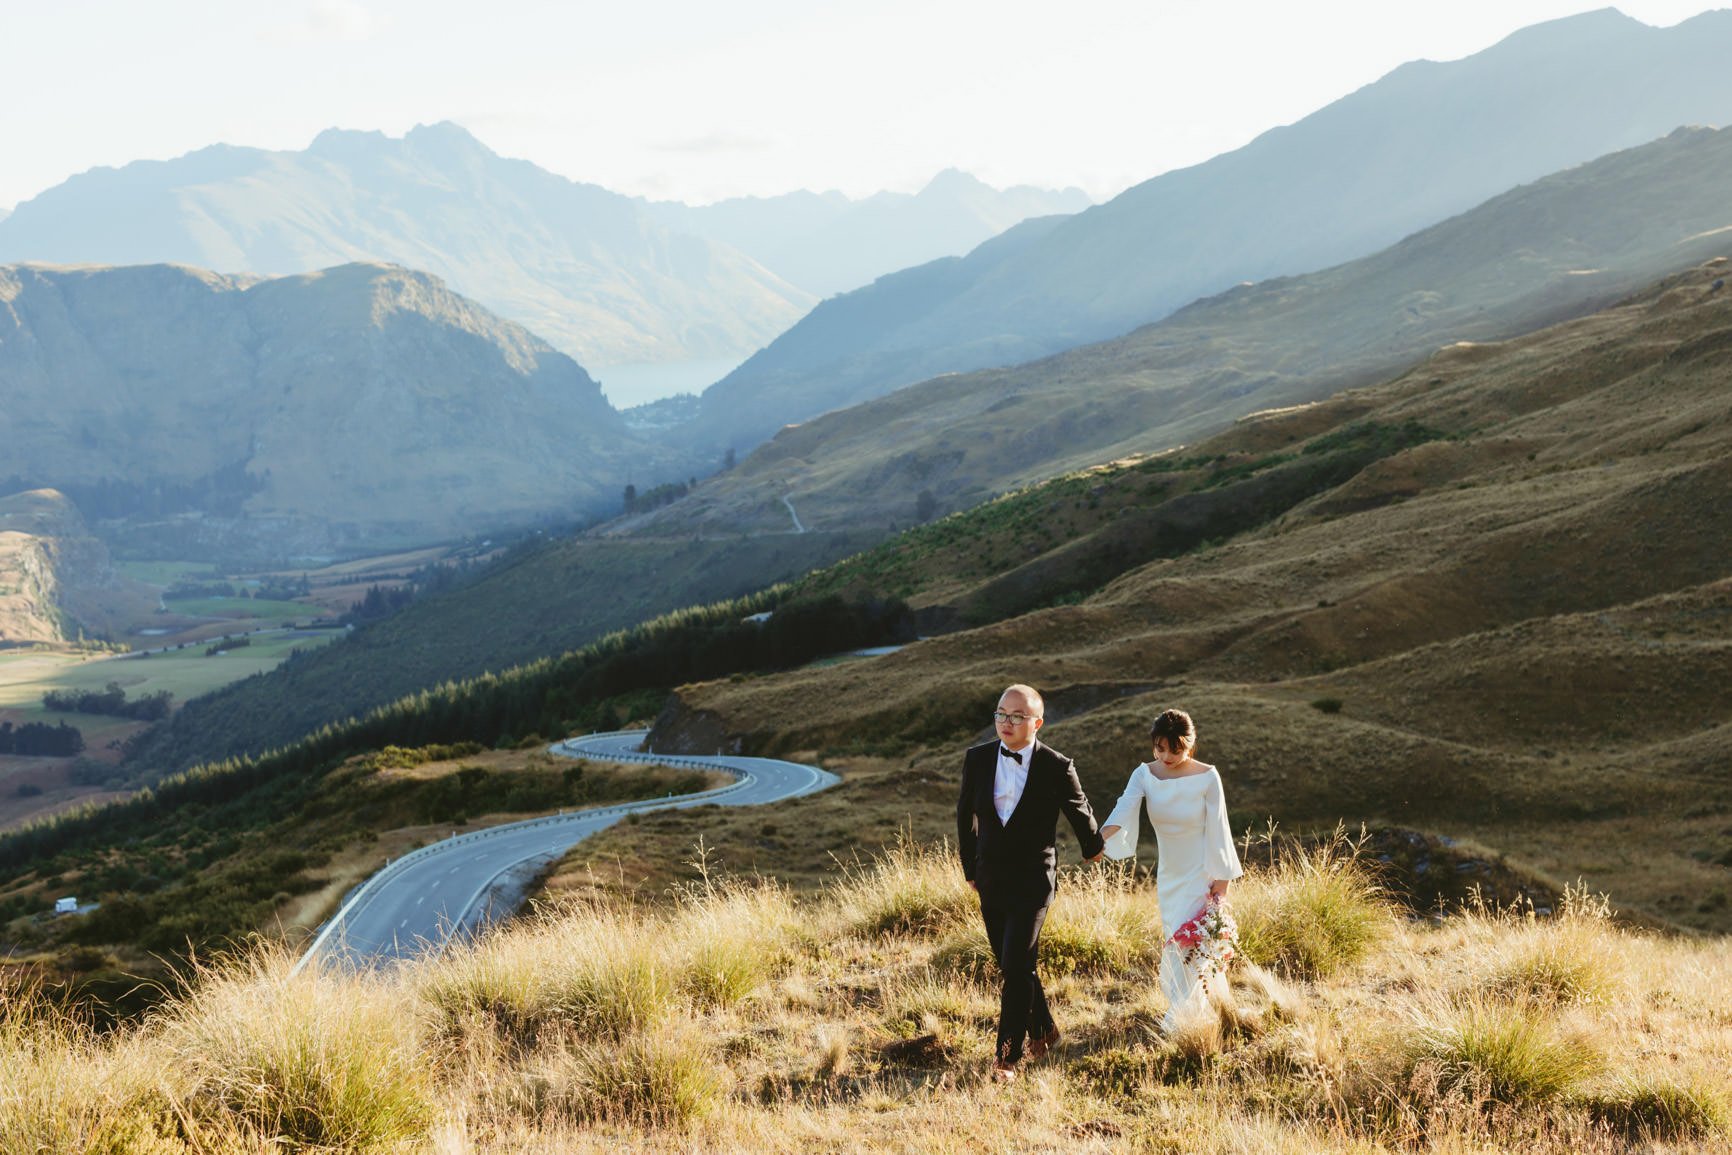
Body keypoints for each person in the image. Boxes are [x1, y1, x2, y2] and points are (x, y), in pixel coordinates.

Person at [956, 683, 1104, 1083]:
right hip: (990, 878)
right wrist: (970, 868)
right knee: (1012, 965)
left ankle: (1007, 1058)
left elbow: (1079, 810)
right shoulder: (978, 758)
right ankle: (1046, 1029)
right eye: (1001, 714)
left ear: (1037, 722)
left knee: (1016, 969)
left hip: (1034, 881)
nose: (1006, 722)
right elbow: (965, 816)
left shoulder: (1057, 766)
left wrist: (1095, 845)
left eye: (1017, 716)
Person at [1099, 708, 1243, 1032]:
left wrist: (1221, 887)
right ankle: (1198, 1014)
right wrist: (1096, 841)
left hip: (1201, 873)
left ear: (1190, 745)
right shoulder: (1144, 774)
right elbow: (1123, 808)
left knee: (1190, 946)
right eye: (1159, 748)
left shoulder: (1208, 777)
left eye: (1175, 750)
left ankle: (1183, 1021)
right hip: (1169, 877)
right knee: (1175, 942)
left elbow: (1220, 830)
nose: (1166, 756)